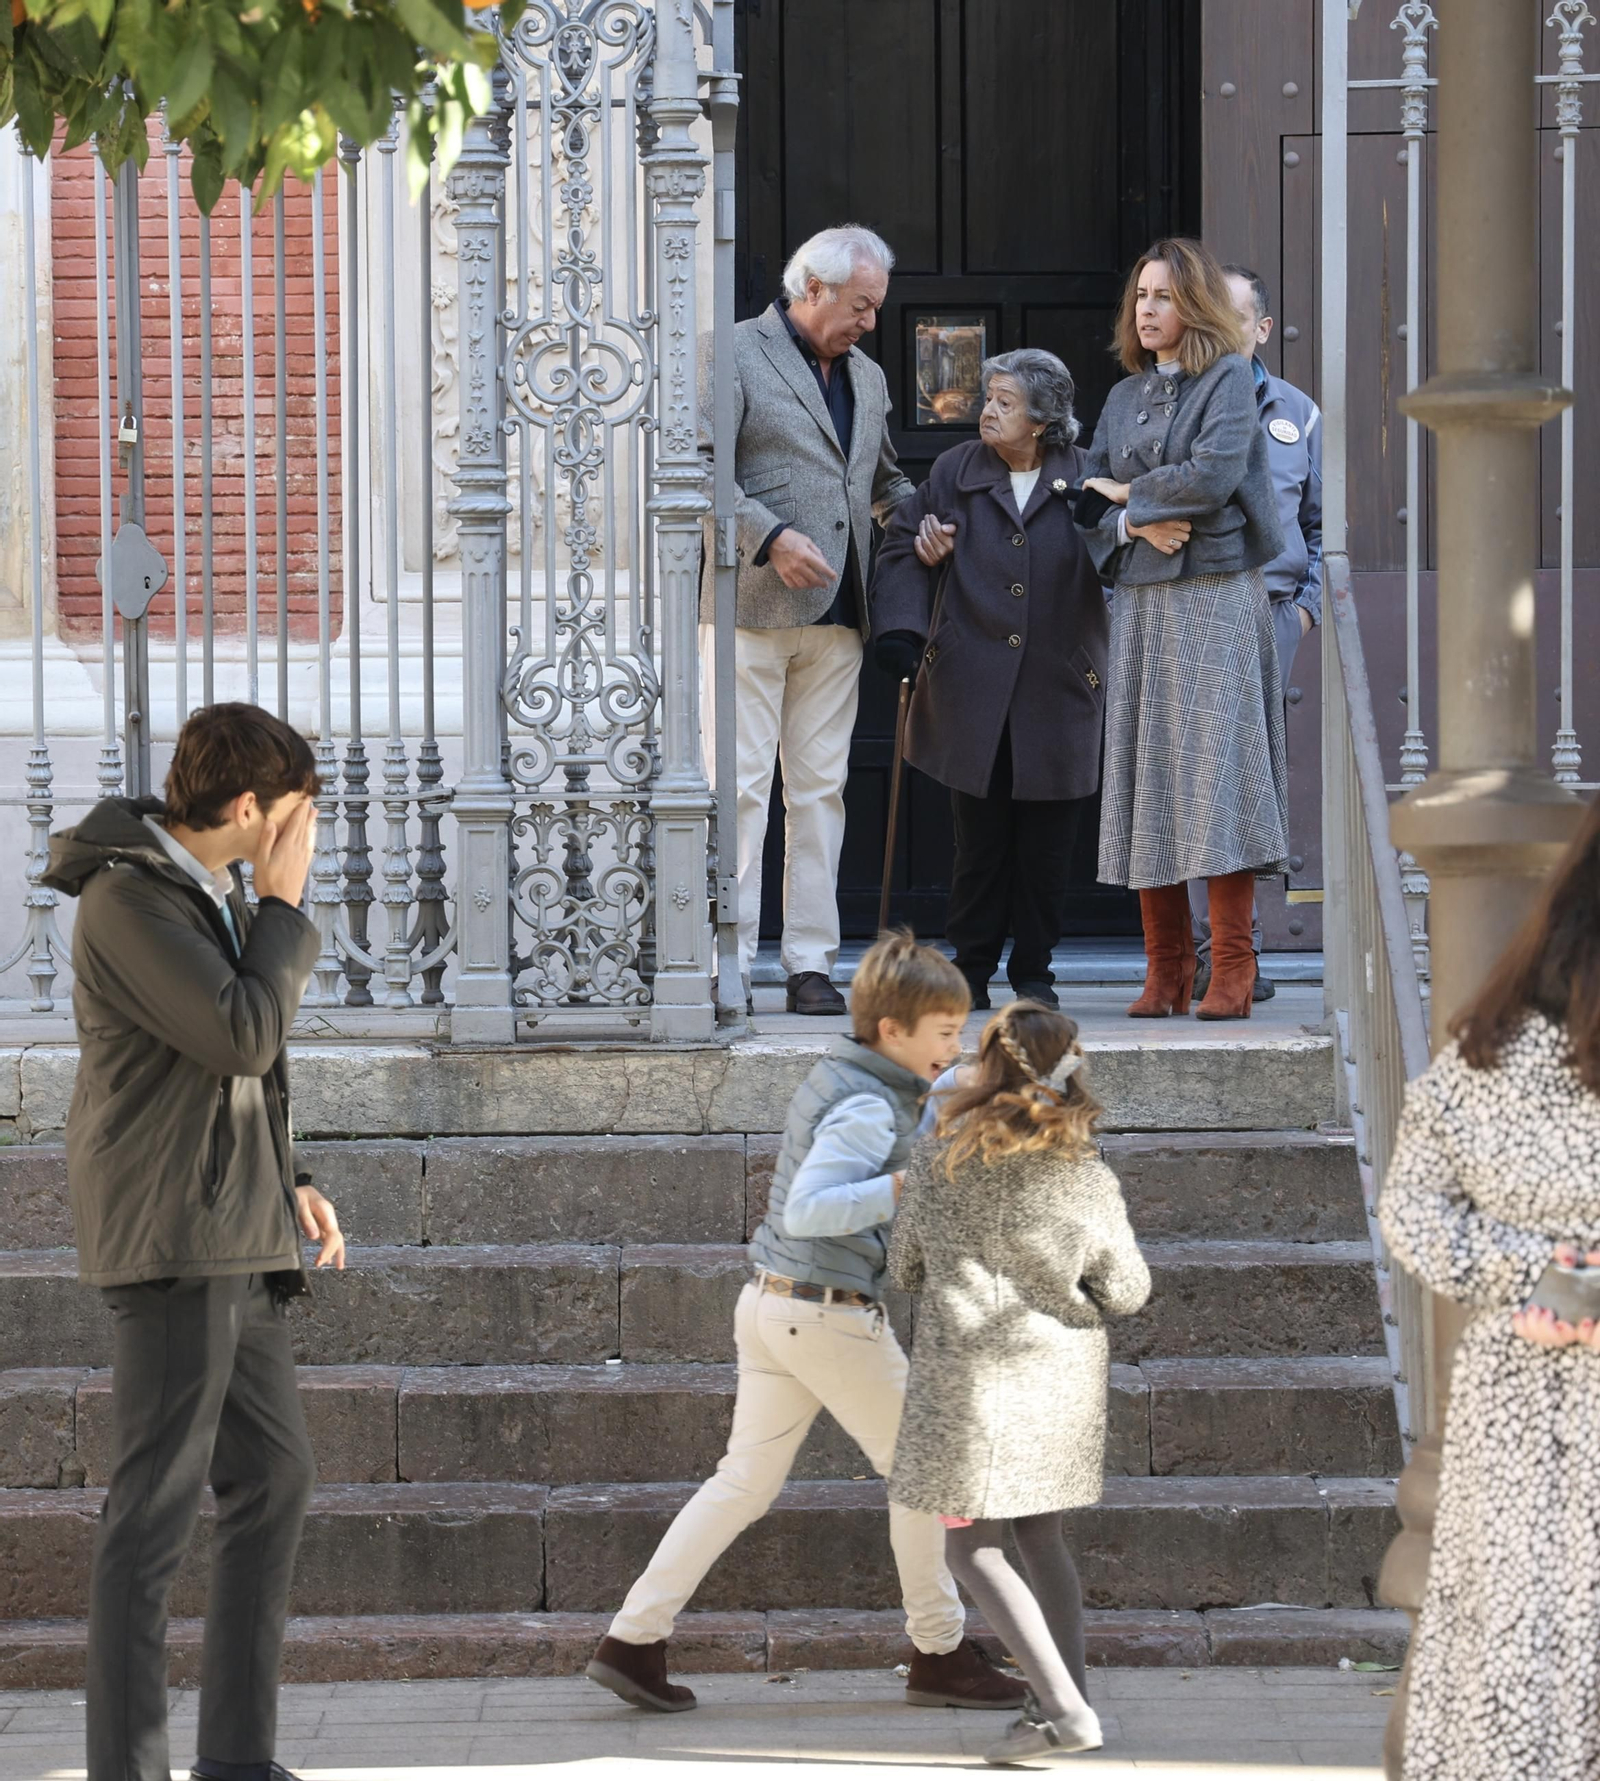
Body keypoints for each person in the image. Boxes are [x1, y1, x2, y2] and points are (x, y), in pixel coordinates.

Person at [586, 933, 1026, 1715]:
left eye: (960, 1029)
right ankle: (939, 1651)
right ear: (893, 1031)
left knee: (743, 1482)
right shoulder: (865, 1103)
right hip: (824, 1311)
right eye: (944, 1031)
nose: (955, 1045)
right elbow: (811, 1208)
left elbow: (942, 1093)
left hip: (775, 1305)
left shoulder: (862, 1073)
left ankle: (632, 1639)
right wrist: (906, 1181)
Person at [42, 703, 346, 1781]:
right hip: (175, 1235)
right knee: (152, 1515)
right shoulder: (128, 898)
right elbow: (240, 1029)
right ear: (253, 807)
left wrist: (292, 1175)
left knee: (274, 1477)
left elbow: (235, 1059)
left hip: (236, 1222)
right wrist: (285, 901)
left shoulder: (192, 891)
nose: (309, 834)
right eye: (301, 812)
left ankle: (238, 1761)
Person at [1377, 790, 1600, 1781]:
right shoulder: (1496, 1052)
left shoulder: (1486, 1049)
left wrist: (1539, 1276)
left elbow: (1412, 1211)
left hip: (1515, 1388)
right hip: (1527, 1397)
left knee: (1511, 1648)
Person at [889, 1001, 1150, 1766]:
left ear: (985, 1067)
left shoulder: (940, 1165)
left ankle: (1064, 1711)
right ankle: (1065, 1696)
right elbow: (1129, 1289)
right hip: (1058, 1384)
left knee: (971, 1551)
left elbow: (904, 1266)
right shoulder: (1087, 1175)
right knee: (1041, 1536)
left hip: (967, 1389)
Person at [698, 225, 917, 1015]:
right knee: (741, 790)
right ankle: (727, 961)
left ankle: (809, 964)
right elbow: (694, 466)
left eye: (875, 308)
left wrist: (924, 520)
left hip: (840, 614)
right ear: (814, 288)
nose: (869, 321)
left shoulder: (870, 375)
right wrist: (769, 538)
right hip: (750, 609)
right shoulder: (733, 351)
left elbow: (884, 478)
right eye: (861, 305)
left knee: (822, 791)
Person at [1078, 237, 1289, 1022]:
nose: (1148, 310)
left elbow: (1215, 472)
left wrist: (1129, 497)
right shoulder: (1123, 396)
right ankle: (1165, 970)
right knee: (1150, 776)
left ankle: (1230, 965)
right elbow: (1083, 499)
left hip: (1215, 597)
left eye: (1163, 296)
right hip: (1140, 600)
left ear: (1194, 303)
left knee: (1218, 778)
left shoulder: (1230, 377)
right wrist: (1133, 525)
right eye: (1141, 297)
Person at [870, 349, 1108, 1012]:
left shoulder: (1088, 475)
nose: (988, 410)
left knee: (1047, 844)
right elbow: (902, 546)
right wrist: (904, 631)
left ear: (1042, 418)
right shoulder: (955, 471)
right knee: (978, 841)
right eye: (989, 397)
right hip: (971, 685)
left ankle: (1034, 970)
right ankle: (970, 968)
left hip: (1059, 687)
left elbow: (1124, 553)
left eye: (1005, 401)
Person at [1189, 264, 1324, 1004]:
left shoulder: (1297, 414)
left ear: (1262, 330)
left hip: (1267, 616)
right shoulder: (1169, 405)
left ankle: (1244, 951)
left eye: (1229, 315)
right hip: (1188, 611)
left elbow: (1322, 528)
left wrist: (1301, 611)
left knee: (1253, 789)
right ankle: (1204, 955)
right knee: (1192, 787)